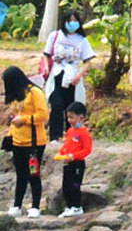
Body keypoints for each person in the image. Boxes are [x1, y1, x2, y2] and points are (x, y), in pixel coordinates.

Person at [41, 8, 97, 142]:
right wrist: (47, 68)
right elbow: (46, 53)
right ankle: (55, 136)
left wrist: (79, 75)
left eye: (75, 21)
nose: (72, 23)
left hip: (73, 77)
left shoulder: (82, 40)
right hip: (57, 74)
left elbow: (88, 61)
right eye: (69, 21)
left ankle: (71, 135)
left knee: (71, 107)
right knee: (56, 105)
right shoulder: (55, 36)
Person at [2, 65, 49, 218]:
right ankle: (17, 205)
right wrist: (10, 137)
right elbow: (14, 117)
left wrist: (24, 119)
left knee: (33, 174)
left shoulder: (35, 93)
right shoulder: (15, 96)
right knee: (20, 175)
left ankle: (35, 206)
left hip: (34, 143)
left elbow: (43, 116)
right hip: (18, 142)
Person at [56, 101, 93, 217]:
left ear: (80, 117)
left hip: (77, 163)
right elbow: (67, 145)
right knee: (65, 185)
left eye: (72, 117)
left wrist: (74, 156)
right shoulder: (70, 131)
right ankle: (69, 206)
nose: (69, 120)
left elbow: (87, 149)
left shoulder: (84, 132)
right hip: (68, 162)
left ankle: (77, 206)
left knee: (75, 185)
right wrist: (61, 152)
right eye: (68, 117)